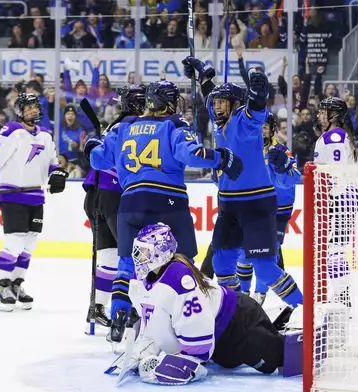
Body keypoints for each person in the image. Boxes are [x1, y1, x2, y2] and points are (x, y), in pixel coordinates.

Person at [84, 80, 243, 344]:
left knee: (126, 264)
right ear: (165, 102)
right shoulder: (174, 125)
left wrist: (91, 145)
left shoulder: (124, 127)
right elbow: (192, 156)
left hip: (130, 203)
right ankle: (187, 317)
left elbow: (98, 159)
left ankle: (119, 319)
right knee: (182, 260)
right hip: (167, 202)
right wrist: (222, 158)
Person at [183, 56, 303, 309]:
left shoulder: (244, 121)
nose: (216, 107)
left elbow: (257, 111)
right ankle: (238, 310)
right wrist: (203, 78)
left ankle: (303, 310)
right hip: (228, 205)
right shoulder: (221, 119)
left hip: (256, 204)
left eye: (221, 103)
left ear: (235, 104)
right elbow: (210, 96)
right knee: (222, 263)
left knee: (266, 268)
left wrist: (259, 96)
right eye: (214, 103)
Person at [122, 223, 302, 386]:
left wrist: (189, 359)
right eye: (137, 251)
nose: (139, 257)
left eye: (144, 252)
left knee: (281, 359)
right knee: (229, 360)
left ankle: (298, 323)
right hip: (218, 339)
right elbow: (152, 322)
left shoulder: (179, 278)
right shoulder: (140, 280)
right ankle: (276, 327)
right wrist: (143, 351)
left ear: (160, 251)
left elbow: (197, 328)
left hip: (239, 324)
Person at [0, 93, 68, 312]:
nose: (33, 110)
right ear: (20, 111)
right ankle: (1, 286)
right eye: (29, 107)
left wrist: (57, 175)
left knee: (29, 245)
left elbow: (52, 163)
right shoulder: (12, 131)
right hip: (13, 195)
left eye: (35, 106)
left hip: (36, 196)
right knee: (14, 243)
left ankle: (16, 284)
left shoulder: (45, 135)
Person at [82, 84, 147, 328]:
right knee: (129, 254)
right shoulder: (137, 127)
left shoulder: (116, 126)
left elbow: (99, 157)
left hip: (96, 195)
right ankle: (127, 306)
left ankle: (97, 306)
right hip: (116, 195)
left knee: (109, 255)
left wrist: (93, 145)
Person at [236, 112, 301, 306]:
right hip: (251, 209)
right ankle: (243, 294)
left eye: (265, 126)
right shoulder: (247, 149)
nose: (261, 129)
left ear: (272, 129)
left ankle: (259, 295)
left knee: (266, 258)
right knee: (243, 255)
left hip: (277, 212)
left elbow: (292, 180)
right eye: (258, 126)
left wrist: (281, 168)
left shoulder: (281, 150)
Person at [313, 96, 358, 306]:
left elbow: (336, 174)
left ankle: (342, 296)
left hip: (340, 199)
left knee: (335, 251)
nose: (319, 115)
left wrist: (331, 199)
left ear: (334, 116)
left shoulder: (334, 138)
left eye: (324, 111)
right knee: (335, 250)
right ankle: (342, 294)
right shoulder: (336, 136)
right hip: (342, 199)